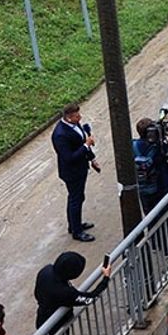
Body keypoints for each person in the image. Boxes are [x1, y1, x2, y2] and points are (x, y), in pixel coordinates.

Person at [50, 103, 99, 242]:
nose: (80, 117)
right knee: (75, 199)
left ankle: (75, 224)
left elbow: (82, 140)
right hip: (72, 172)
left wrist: (92, 158)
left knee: (77, 197)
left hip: (80, 168)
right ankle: (76, 231)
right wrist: (86, 145)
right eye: (77, 116)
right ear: (69, 118)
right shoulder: (60, 135)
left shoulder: (75, 124)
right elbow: (69, 157)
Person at [33, 252, 112, 331]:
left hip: (42, 318)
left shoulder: (46, 271)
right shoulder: (65, 292)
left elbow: (36, 293)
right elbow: (91, 298)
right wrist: (106, 278)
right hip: (56, 326)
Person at [132, 118, 168, 215]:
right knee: (165, 217)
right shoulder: (159, 147)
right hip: (162, 188)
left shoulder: (134, 145)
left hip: (144, 190)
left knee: (151, 218)